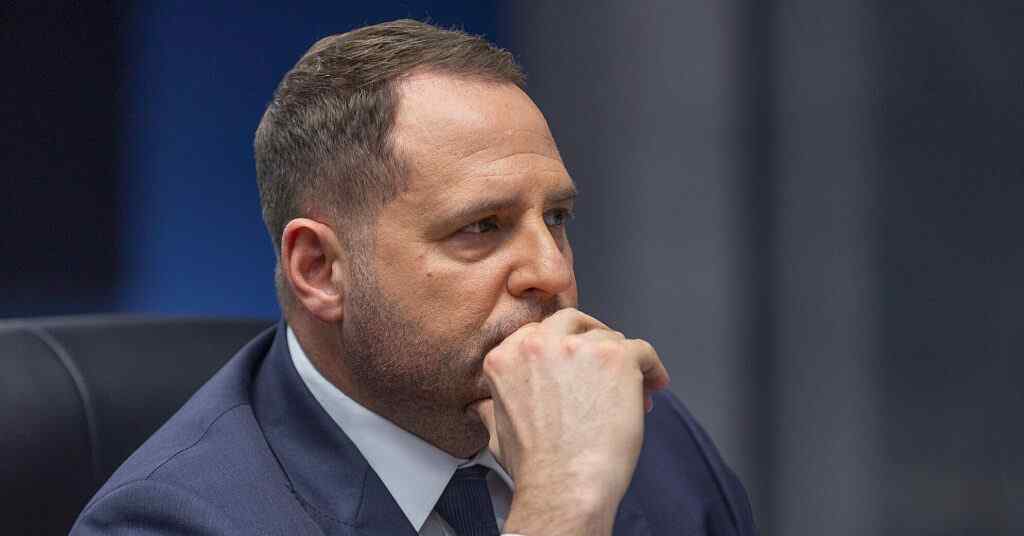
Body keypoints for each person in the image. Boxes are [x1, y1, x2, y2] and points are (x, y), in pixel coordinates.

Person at [72, 20, 757, 535]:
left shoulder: (627, 427)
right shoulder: (170, 521)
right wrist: (562, 507)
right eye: (481, 226)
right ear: (320, 270)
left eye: (556, 218)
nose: (551, 271)